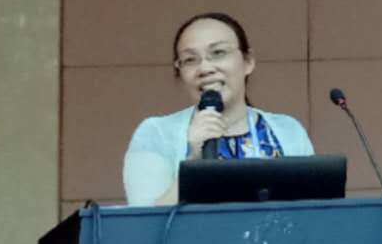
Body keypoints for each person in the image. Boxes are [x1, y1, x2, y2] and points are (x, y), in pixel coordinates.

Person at [122, 12, 313, 205]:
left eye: (218, 53)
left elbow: (313, 212)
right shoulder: (157, 134)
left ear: (248, 61)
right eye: (190, 60)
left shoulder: (288, 131)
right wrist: (193, 161)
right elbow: (144, 218)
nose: (205, 68)